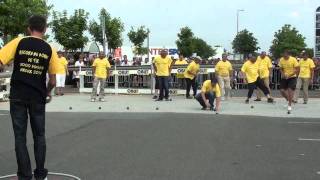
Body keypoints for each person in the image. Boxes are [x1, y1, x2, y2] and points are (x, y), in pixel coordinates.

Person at [0, 15, 59, 180]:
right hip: (37, 97)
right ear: (45, 29)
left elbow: (0, 60)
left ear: (28, 28)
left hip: (18, 96)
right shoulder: (49, 49)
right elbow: (53, 81)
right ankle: (40, 174)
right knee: (39, 135)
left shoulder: (19, 42)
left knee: (20, 137)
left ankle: (25, 176)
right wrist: (47, 92)